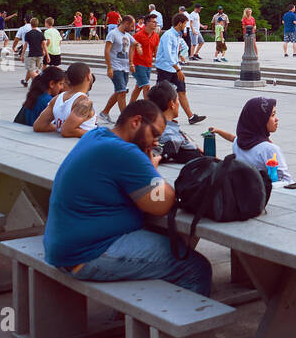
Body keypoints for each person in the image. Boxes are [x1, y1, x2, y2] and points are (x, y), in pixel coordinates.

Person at [43, 100, 210, 294]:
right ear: (136, 121)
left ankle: (137, 317)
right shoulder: (125, 152)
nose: (156, 142)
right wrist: (151, 169)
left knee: (168, 239)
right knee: (196, 268)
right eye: (154, 134)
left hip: (63, 245)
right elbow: (161, 205)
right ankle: (175, 322)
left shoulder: (97, 135)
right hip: (87, 253)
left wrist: (146, 169)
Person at [208, 96, 293, 182]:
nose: (276, 119)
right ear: (260, 120)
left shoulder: (239, 143)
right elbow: (286, 180)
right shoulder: (269, 149)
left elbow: (232, 138)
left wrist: (218, 131)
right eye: (272, 115)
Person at [155, 13, 205, 124]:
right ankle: (158, 117)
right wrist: (178, 69)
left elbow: (179, 51)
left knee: (181, 91)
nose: (186, 26)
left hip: (175, 68)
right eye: (185, 24)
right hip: (165, 68)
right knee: (163, 95)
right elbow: (168, 55)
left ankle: (191, 117)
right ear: (180, 23)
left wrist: (179, 66)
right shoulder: (168, 35)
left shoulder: (178, 35)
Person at [34, 62, 99, 138]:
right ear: (88, 77)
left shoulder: (57, 98)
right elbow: (67, 131)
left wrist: (59, 127)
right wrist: (95, 134)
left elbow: (39, 125)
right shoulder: (84, 103)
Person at [99, 14, 136, 123]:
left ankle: (104, 112)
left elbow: (135, 43)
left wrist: (131, 62)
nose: (133, 28)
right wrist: (109, 67)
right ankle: (125, 119)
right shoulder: (113, 34)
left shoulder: (127, 35)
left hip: (125, 68)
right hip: (115, 67)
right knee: (122, 92)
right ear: (126, 23)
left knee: (119, 92)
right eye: (132, 26)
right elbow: (106, 51)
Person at [131, 14, 159, 101]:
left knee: (139, 87)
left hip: (148, 65)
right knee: (146, 86)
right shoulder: (138, 35)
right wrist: (130, 63)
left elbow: (156, 52)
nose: (155, 24)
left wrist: (159, 65)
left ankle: (130, 107)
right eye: (153, 22)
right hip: (138, 64)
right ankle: (148, 109)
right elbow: (131, 48)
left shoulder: (156, 36)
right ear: (146, 23)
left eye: (156, 22)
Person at [20, 18, 46, 88]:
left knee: (31, 70)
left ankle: (38, 83)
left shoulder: (28, 34)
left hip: (32, 54)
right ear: (37, 24)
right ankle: (35, 84)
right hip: (40, 54)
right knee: (37, 70)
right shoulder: (40, 34)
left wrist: (22, 54)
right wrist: (46, 53)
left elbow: (25, 45)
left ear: (30, 24)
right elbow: (44, 44)